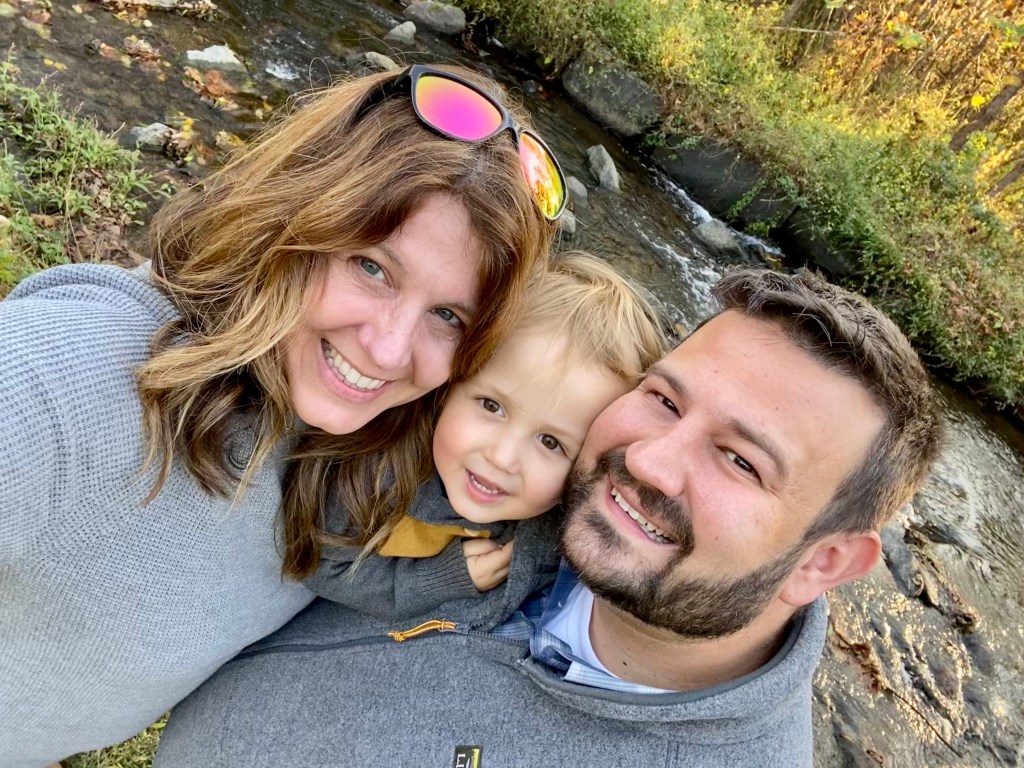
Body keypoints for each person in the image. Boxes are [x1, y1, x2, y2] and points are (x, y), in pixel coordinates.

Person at [0, 63, 564, 768]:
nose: (389, 350)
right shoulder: (88, 375)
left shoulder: (395, 441)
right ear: (295, 214)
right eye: (372, 268)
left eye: (449, 315)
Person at [154, 267, 943, 767]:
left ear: (824, 562)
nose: (650, 461)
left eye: (740, 461)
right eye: (665, 399)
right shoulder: (545, 495)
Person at [302, 252, 668, 617]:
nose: (502, 457)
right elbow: (318, 567)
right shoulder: (375, 474)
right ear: (450, 386)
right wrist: (440, 579)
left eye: (551, 442)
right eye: (491, 406)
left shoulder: (555, 539)